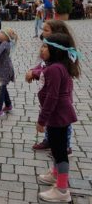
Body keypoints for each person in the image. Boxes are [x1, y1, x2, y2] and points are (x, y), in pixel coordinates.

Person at [35, 33, 80, 203]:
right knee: (56, 148)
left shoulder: (54, 69)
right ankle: (55, 174)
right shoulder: (58, 66)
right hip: (59, 116)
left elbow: (52, 98)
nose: (42, 49)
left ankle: (62, 190)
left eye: (45, 46)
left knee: (59, 152)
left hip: (57, 117)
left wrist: (42, 120)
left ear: (55, 50)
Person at [26, 20, 75, 155]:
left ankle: (65, 145)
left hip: (59, 98)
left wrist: (34, 73)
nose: (43, 33)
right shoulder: (51, 52)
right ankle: (50, 140)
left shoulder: (59, 58)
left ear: (57, 34)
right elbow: (43, 64)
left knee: (62, 121)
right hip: (51, 96)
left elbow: (49, 71)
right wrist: (33, 70)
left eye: (46, 30)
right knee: (50, 116)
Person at [0, 28, 18, 118]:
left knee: (1, 88)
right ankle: (8, 105)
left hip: (6, 69)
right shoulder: (1, 43)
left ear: (6, 37)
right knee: (3, 87)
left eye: (1, 34)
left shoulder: (5, 43)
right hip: (2, 68)